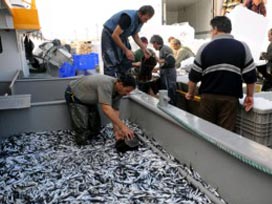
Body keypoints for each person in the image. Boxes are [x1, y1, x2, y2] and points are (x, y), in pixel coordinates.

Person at [185, 16, 257, 131]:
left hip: (208, 98)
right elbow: (251, 76)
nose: (210, 32)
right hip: (230, 99)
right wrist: (249, 96)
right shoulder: (242, 47)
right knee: (225, 135)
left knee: (206, 131)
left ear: (215, 29)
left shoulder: (205, 47)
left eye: (211, 30)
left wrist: (190, 93)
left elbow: (194, 77)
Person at [65, 74, 136, 145]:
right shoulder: (106, 84)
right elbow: (106, 109)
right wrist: (123, 127)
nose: (128, 94)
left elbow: (115, 110)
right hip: (75, 95)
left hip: (89, 98)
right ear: (120, 84)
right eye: (127, 91)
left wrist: (117, 131)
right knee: (82, 131)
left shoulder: (119, 92)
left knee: (95, 128)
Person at [102, 5, 155, 77]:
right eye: (145, 19)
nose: (146, 22)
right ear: (140, 14)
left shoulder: (140, 21)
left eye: (148, 20)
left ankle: (123, 80)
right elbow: (115, 35)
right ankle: (111, 82)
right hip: (109, 35)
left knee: (127, 58)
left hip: (122, 36)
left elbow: (135, 36)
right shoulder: (128, 18)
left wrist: (144, 49)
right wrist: (126, 50)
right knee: (111, 60)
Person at [150, 34, 177, 105]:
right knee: (166, 91)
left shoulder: (165, 49)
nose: (153, 46)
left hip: (169, 74)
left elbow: (170, 61)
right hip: (166, 73)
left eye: (153, 44)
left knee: (170, 91)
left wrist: (158, 63)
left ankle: (172, 106)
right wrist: (158, 68)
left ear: (156, 43)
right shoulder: (161, 50)